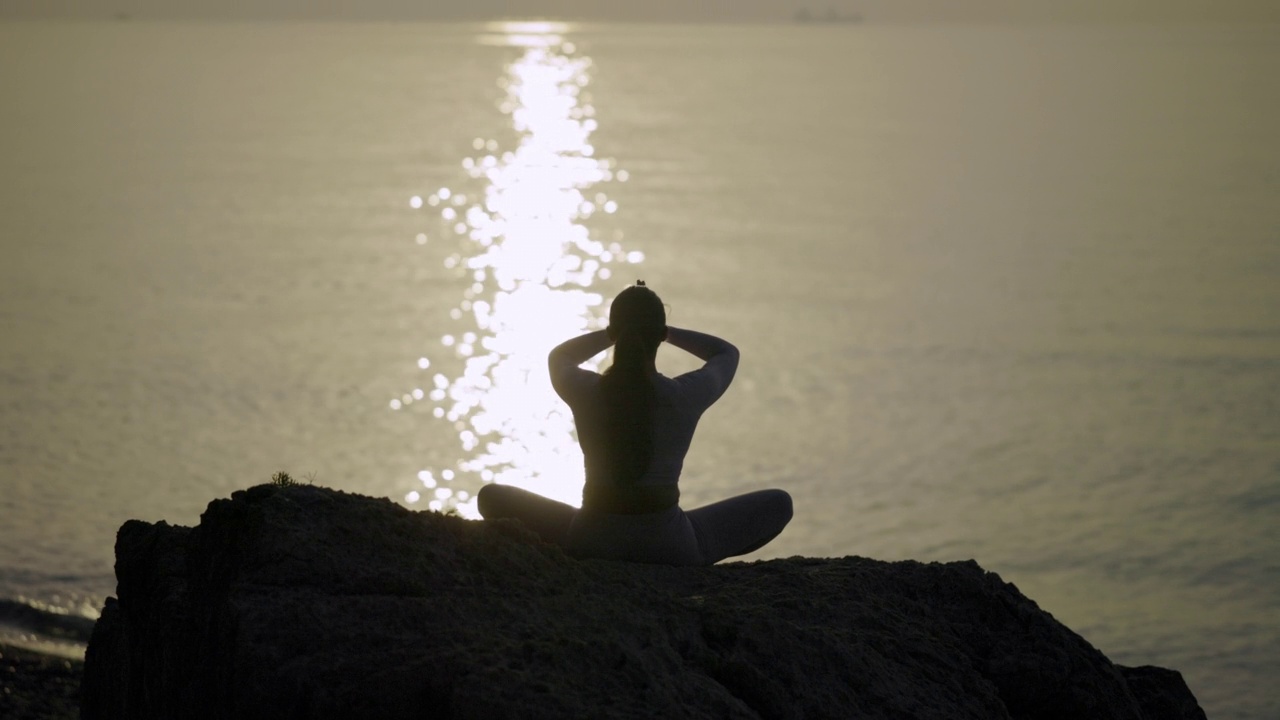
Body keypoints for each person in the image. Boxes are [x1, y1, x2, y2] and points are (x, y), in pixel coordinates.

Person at [476, 281, 792, 565]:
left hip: (590, 540)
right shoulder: (684, 394)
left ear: (615, 334)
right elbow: (726, 353)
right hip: (669, 546)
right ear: (659, 335)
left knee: (492, 497)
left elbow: (560, 356)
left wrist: (616, 331)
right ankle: (695, 564)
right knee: (779, 504)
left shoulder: (585, 390)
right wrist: (666, 331)